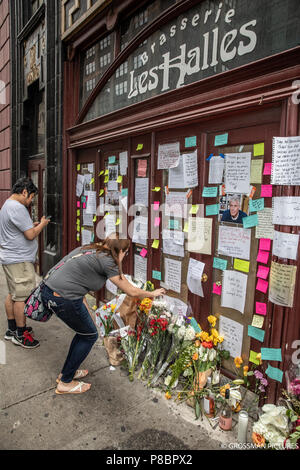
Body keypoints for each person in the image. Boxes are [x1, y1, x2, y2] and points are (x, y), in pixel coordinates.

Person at [41, 236, 166, 395]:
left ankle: (67, 373)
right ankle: (65, 383)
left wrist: (85, 309)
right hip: (62, 297)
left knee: (84, 333)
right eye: (125, 253)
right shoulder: (107, 261)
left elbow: (77, 279)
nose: (124, 257)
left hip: (53, 290)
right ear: (120, 251)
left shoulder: (90, 249)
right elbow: (132, 291)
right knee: (89, 336)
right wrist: (151, 293)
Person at [0, 177, 50, 348]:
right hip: (19, 261)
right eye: (31, 197)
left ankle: (12, 329)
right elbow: (30, 235)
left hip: (10, 258)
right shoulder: (18, 208)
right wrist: (42, 224)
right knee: (21, 298)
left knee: (13, 294)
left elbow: (21, 229)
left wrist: (32, 224)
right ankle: (21, 335)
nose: (31, 202)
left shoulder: (7, 205)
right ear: (24, 192)